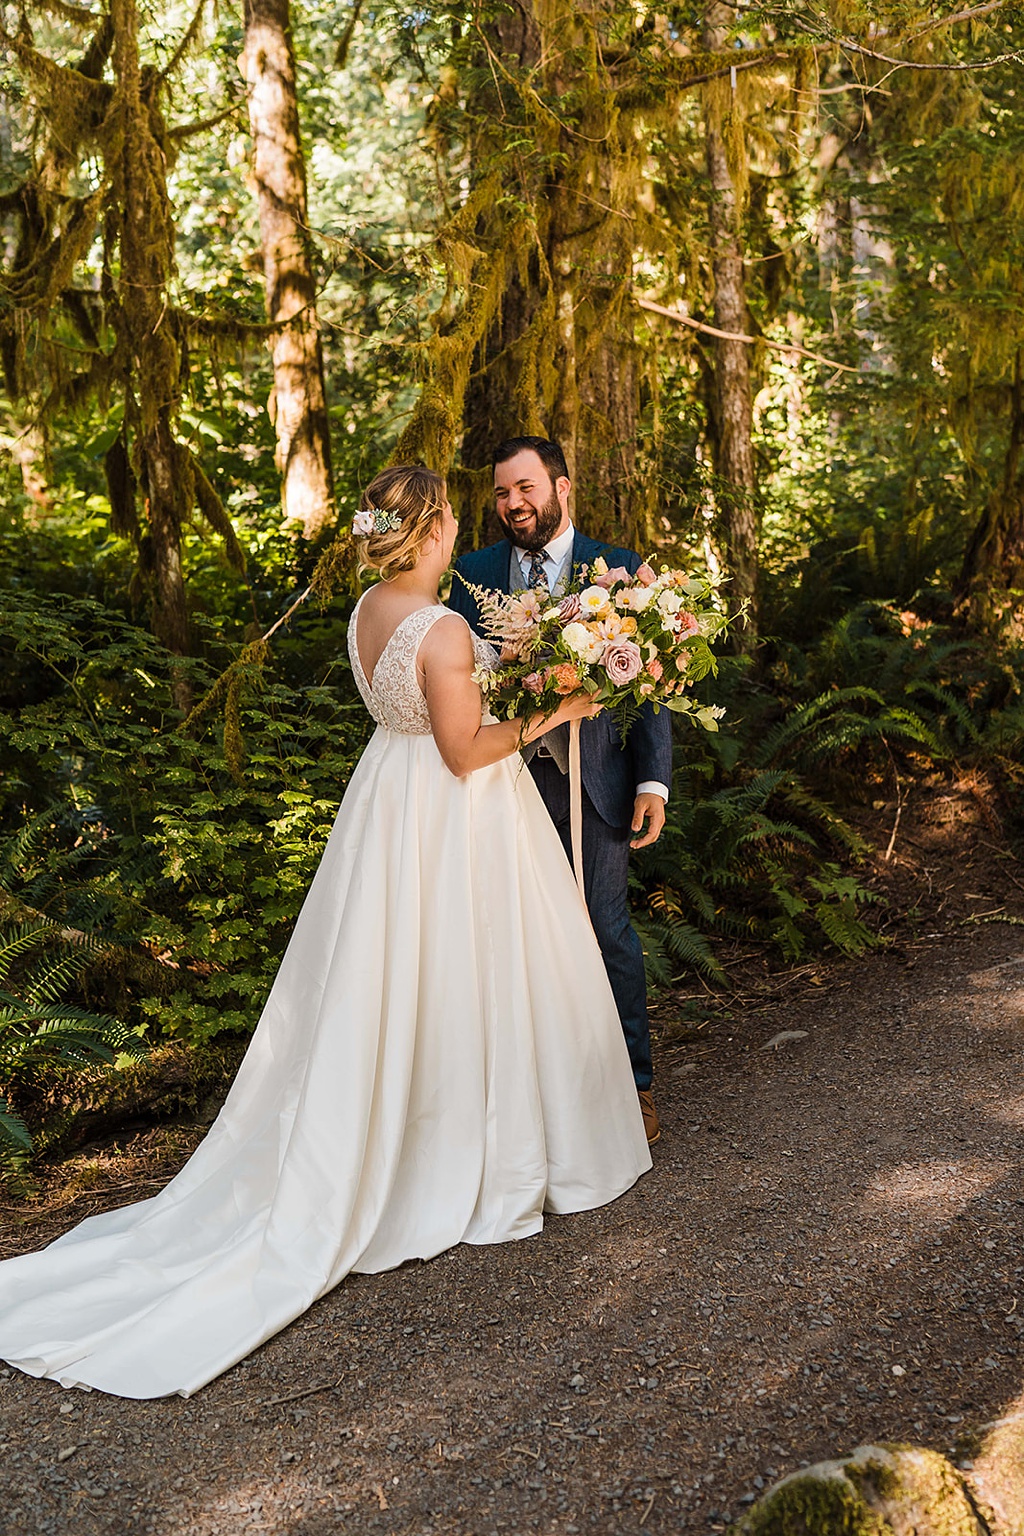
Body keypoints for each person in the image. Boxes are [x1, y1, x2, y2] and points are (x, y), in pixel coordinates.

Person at [0, 465, 651, 1401]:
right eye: (450, 525)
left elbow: (420, 723)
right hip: (455, 817)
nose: (456, 536)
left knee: (400, 984)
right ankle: (469, 1148)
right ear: (428, 531)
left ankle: (428, 1127)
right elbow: (467, 751)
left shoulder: (366, 615)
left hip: (389, 805)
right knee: (471, 977)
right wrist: (565, 708)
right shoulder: (443, 626)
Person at [448, 437, 672, 1146]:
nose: (514, 504)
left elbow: (653, 687)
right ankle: (540, 1096)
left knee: (605, 931)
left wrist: (653, 780)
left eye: (526, 489)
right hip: (504, 785)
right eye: (502, 494)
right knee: (517, 941)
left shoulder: (619, 568)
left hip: (599, 783)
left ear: (562, 487)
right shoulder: (471, 575)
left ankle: (631, 1087)